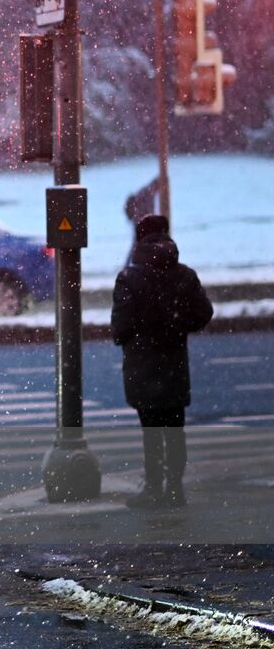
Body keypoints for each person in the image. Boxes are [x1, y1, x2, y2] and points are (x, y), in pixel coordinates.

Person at [110, 214, 212, 508]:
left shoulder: (129, 278)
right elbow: (204, 312)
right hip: (174, 363)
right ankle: (175, 489)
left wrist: (138, 334)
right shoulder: (185, 275)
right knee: (175, 430)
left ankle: (153, 488)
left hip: (142, 365)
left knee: (151, 431)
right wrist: (177, 326)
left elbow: (121, 328)